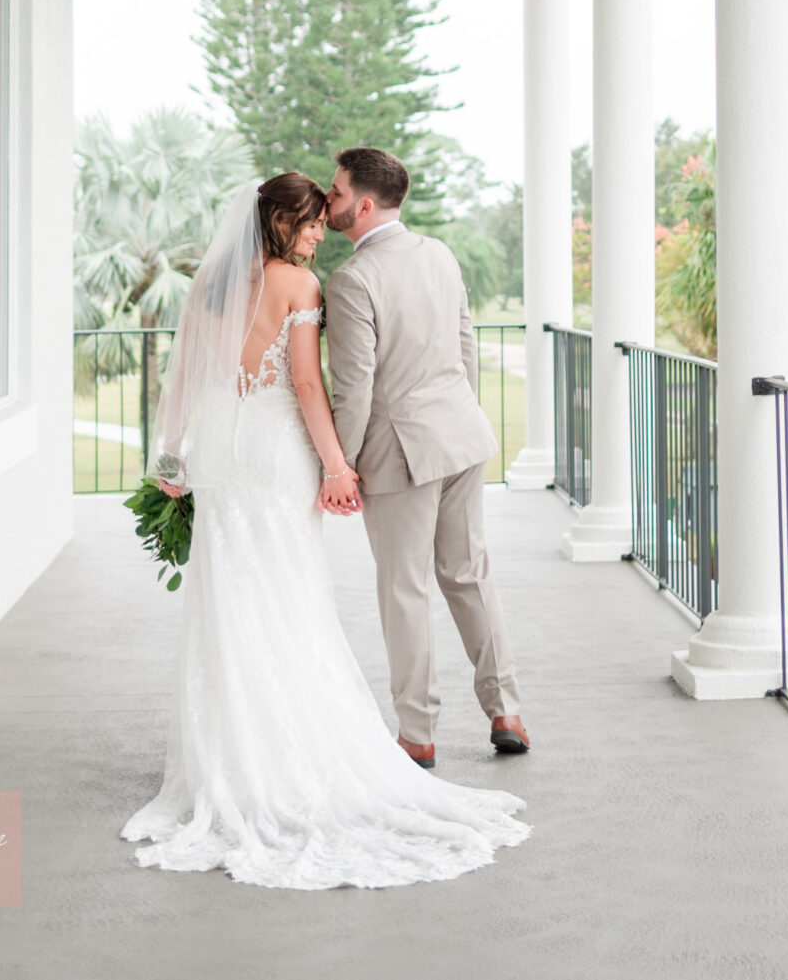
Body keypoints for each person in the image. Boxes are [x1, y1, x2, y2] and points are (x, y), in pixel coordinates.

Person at [121, 171, 527, 889]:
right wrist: (338, 465)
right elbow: (309, 385)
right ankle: (482, 712)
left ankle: (233, 755)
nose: (318, 231)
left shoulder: (208, 288)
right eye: (307, 221)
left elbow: (182, 378)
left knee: (230, 600)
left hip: (221, 456)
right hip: (281, 457)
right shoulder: (307, 286)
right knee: (296, 595)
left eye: (324, 214)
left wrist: (171, 456)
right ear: (278, 222)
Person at [322, 146, 530, 769]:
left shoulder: (353, 279)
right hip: (462, 436)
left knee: (405, 589)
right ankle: (507, 711)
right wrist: (457, 413)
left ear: (362, 204)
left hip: (399, 454)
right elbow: (465, 346)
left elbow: (352, 388)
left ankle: (417, 733)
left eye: (334, 193)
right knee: (469, 574)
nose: (328, 202)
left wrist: (341, 465)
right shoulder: (439, 253)